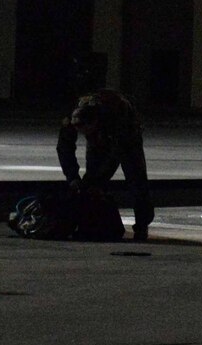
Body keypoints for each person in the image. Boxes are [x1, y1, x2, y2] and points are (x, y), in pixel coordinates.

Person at [57, 87, 152, 242]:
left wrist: (98, 178)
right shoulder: (73, 117)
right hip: (103, 129)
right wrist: (72, 176)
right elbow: (64, 147)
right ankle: (90, 220)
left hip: (128, 132)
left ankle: (142, 225)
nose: (84, 135)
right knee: (91, 182)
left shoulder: (117, 117)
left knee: (136, 179)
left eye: (87, 131)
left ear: (95, 122)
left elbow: (115, 155)